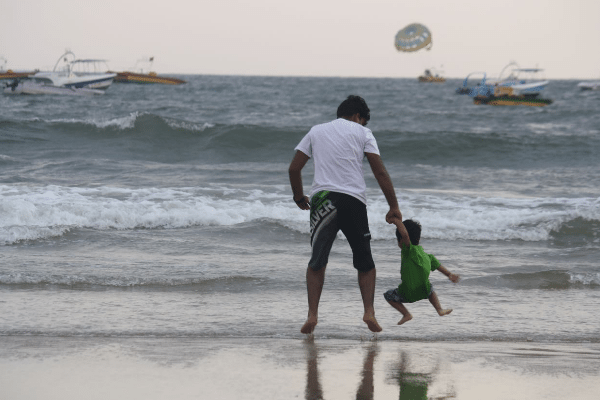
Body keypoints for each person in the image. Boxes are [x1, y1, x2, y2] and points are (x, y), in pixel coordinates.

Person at [288, 95, 408, 334]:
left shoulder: (316, 131)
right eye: (362, 121)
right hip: (353, 201)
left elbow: (294, 168)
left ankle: (312, 315)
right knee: (365, 262)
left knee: (317, 262)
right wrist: (393, 206)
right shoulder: (363, 133)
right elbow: (379, 171)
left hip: (323, 200)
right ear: (357, 117)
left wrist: (299, 197)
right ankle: (368, 312)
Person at [384, 219, 460, 325]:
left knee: (388, 295)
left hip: (407, 293)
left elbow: (405, 235)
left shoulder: (408, 250)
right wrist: (449, 274)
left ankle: (406, 314)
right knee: (430, 288)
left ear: (401, 240)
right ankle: (439, 309)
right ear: (419, 238)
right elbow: (438, 266)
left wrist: (396, 222)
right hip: (424, 291)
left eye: (398, 239)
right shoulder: (427, 256)